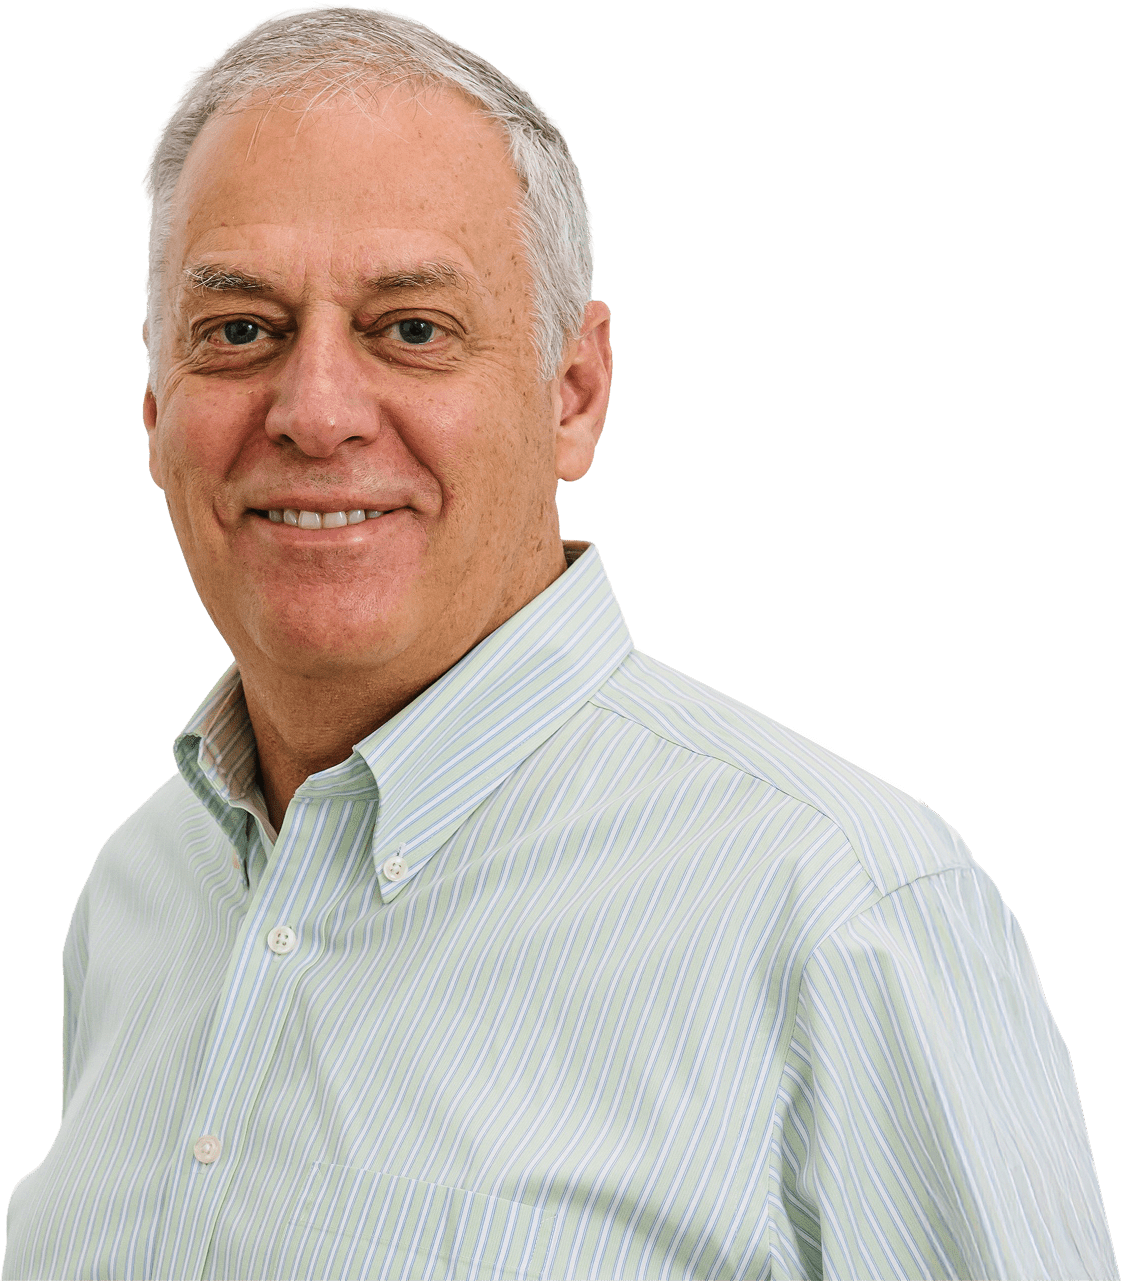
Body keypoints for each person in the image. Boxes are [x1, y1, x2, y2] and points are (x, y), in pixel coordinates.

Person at [2, 6, 1117, 1279]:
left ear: (571, 393)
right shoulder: (135, 896)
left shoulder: (838, 909)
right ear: (156, 411)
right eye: (238, 330)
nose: (313, 412)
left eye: (410, 328)